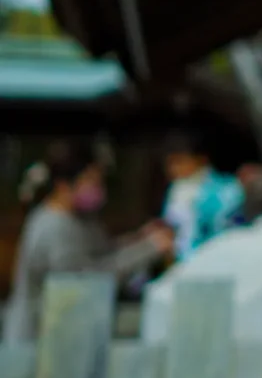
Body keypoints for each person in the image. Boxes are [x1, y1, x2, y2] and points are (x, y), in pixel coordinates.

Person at [5, 142, 171, 344]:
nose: (98, 189)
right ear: (64, 186)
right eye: (91, 182)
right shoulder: (55, 226)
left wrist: (140, 239)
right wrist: (149, 248)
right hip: (38, 341)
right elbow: (85, 278)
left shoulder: (80, 219)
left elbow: (103, 251)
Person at [158, 128, 246, 263]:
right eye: (170, 163)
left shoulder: (227, 190)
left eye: (179, 161)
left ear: (200, 159)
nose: (174, 168)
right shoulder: (176, 191)